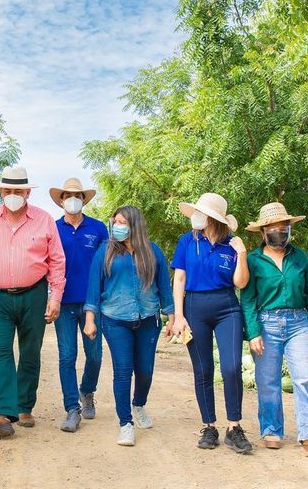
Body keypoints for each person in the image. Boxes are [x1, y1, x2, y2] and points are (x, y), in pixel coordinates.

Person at [0, 166, 66, 438]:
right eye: (8, 190)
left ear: (27, 193)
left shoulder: (44, 220)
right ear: (1, 191)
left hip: (34, 294)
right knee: (0, 351)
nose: (12, 194)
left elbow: (57, 261)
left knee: (30, 352)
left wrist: (55, 297)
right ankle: (1, 412)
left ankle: (24, 406)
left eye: (18, 191)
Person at [241, 202, 308, 456]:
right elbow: (247, 299)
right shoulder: (253, 260)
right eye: (273, 228)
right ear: (263, 232)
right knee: (267, 380)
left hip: (299, 322)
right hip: (266, 323)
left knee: (304, 377)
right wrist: (253, 332)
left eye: (283, 227)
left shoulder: (299, 256)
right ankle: (271, 429)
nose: (278, 232)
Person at [84, 205, 174, 447]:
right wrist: (90, 318)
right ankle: (126, 424)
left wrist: (172, 316)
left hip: (148, 319)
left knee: (145, 370)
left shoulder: (152, 251)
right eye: (115, 222)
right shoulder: (105, 251)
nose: (117, 226)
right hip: (115, 320)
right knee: (123, 370)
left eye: (123, 222)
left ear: (135, 225)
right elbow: (93, 287)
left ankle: (139, 405)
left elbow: (164, 286)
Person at [169, 193, 252, 452]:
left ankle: (234, 427)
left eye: (201, 212)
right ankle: (209, 426)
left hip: (227, 306)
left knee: (232, 367)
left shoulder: (232, 244)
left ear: (214, 218)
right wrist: (179, 316)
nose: (196, 216)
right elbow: (179, 280)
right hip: (194, 307)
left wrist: (242, 253)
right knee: (203, 369)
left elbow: (240, 283)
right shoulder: (187, 240)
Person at [50, 177, 108, 432]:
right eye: (68, 196)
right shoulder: (53, 229)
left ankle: (87, 390)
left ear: (84, 200)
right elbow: (47, 264)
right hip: (62, 303)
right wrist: (50, 298)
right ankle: (72, 409)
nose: (72, 200)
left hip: (91, 303)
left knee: (94, 355)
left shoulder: (98, 228)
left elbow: (107, 263)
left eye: (77, 196)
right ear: (61, 200)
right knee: (67, 355)